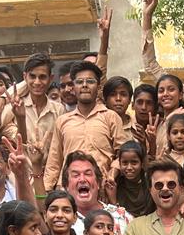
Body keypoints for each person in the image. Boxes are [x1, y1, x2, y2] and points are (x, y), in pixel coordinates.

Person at [43, 61, 124, 189]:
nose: (85, 85)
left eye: (90, 81)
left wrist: (111, 174)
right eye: (79, 82)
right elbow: (54, 161)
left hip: (101, 188)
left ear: (98, 87)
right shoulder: (62, 121)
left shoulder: (111, 117)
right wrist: (48, 190)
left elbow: (123, 154)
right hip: (69, 190)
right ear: (74, 87)